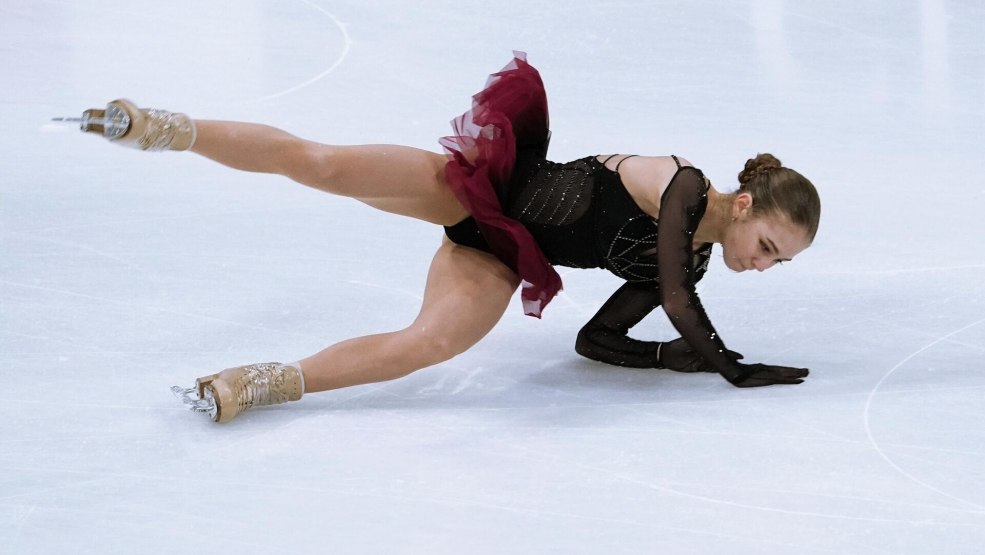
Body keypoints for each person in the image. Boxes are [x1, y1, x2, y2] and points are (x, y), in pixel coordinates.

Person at [72, 52, 819, 423]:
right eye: (767, 247)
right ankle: (162, 128)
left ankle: (250, 383)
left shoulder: (692, 262)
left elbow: (596, 342)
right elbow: (676, 294)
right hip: (485, 188)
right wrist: (730, 367)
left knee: (423, 346)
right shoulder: (683, 188)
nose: (761, 266)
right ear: (745, 202)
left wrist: (666, 357)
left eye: (775, 263)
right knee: (322, 163)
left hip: (496, 253)